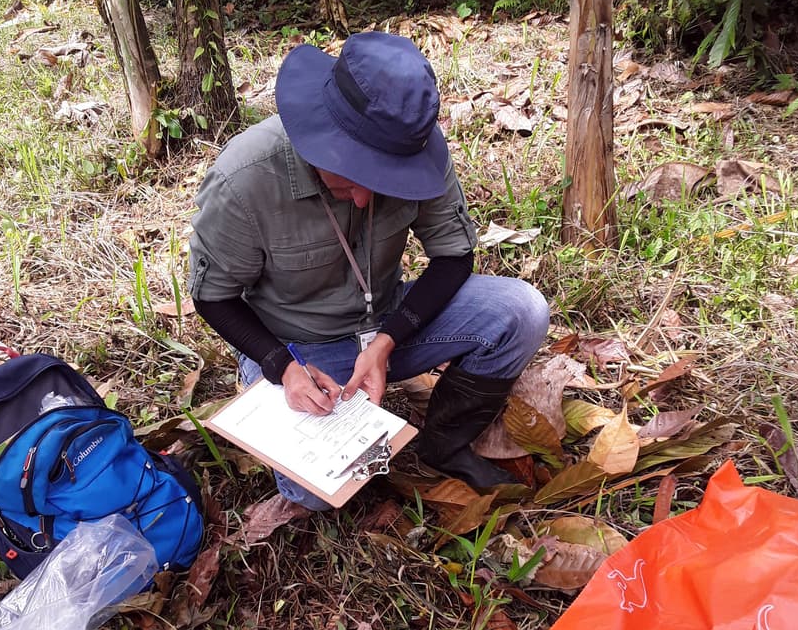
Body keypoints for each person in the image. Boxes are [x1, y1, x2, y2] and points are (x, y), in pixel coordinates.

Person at [189, 31, 549, 511]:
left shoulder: (415, 148)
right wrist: (281, 367)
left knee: (522, 311)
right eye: (352, 179)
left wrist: (388, 340)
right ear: (322, 142)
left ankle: (442, 442)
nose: (363, 198)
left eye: (382, 184)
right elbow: (213, 297)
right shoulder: (246, 178)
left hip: (386, 320)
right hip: (298, 347)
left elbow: (453, 255)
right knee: (314, 493)